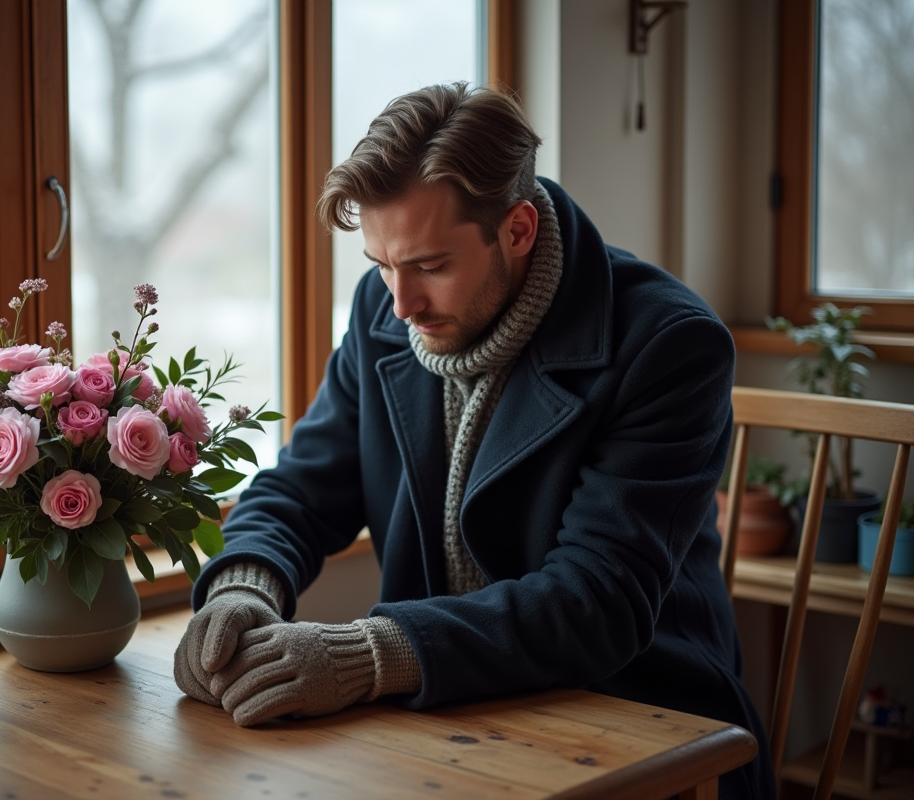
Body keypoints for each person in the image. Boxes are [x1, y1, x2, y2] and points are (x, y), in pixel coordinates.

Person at [173, 82, 774, 799]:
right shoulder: (384, 310)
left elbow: (596, 602)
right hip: (446, 722)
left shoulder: (670, 343)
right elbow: (304, 487)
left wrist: (369, 653)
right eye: (381, 265)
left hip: (641, 727)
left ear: (517, 230)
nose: (401, 304)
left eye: (430, 266)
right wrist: (246, 585)